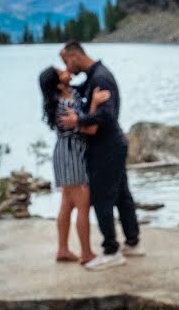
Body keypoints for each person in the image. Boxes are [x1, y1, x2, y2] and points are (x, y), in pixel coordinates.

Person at [58, 41, 143, 271]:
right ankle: (133, 242)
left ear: (75, 56)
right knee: (122, 195)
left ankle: (111, 250)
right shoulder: (94, 76)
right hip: (114, 144)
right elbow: (80, 94)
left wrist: (78, 121)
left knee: (102, 198)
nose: (65, 66)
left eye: (65, 61)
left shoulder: (100, 79)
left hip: (106, 146)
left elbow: (108, 116)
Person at [38, 65, 109, 265]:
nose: (66, 71)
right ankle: (86, 253)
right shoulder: (62, 105)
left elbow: (81, 120)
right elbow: (88, 128)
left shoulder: (71, 96)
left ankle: (63, 250)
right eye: (61, 72)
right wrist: (94, 104)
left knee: (67, 204)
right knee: (83, 205)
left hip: (69, 154)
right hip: (71, 156)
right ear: (59, 84)